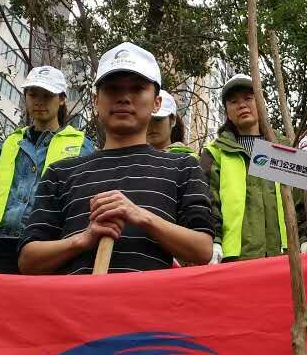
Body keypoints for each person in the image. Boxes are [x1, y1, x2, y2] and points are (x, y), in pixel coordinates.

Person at [19, 43, 213, 274]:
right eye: (112, 89)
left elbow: (202, 249)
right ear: (96, 101)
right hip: (74, 297)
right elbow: (28, 261)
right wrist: (83, 239)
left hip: (148, 298)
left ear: (157, 103)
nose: (124, 98)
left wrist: (141, 216)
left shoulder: (182, 168)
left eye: (137, 89)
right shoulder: (60, 173)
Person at [0, 66, 94, 273]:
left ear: (61, 99)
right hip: (0, 242)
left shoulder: (81, 144)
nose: (39, 102)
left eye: (47, 95)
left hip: (49, 243)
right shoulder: (10, 142)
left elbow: (83, 202)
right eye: (33, 95)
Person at [201, 74, 292, 262]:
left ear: (262, 104)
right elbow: (209, 202)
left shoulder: (282, 147)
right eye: (233, 102)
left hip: (284, 256)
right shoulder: (215, 152)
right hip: (234, 259)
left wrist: (304, 237)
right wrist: (214, 240)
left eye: (248, 98)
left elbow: (300, 199)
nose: (242, 105)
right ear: (227, 112)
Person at [148, 91, 197, 158]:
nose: (151, 125)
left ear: (173, 120)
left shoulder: (188, 160)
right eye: (146, 120)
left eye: (158, 119)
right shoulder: (135, 157)